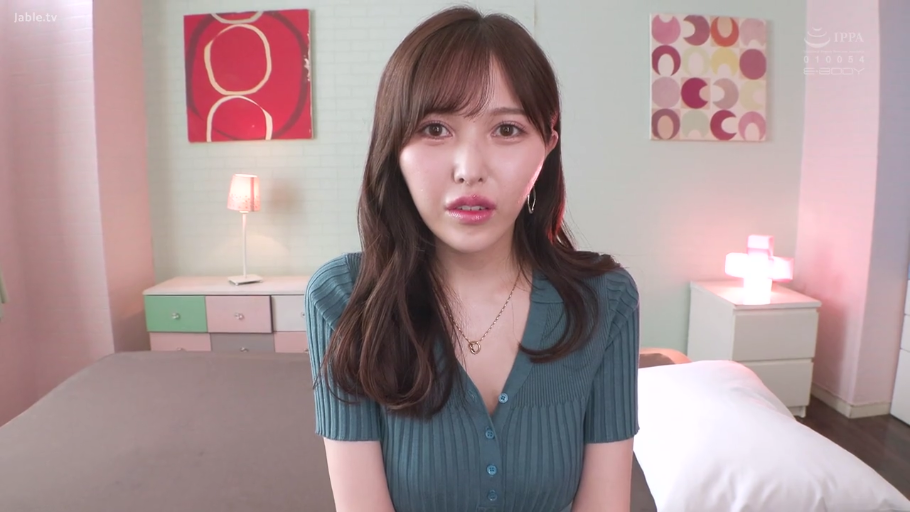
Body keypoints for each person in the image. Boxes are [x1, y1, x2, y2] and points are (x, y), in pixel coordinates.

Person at [305, 6, 640, 512]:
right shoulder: (344, 298)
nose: (469, 169)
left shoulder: (605, 299)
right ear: (394, 146)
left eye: (506, 130)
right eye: (435, 129)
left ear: (547, 146)